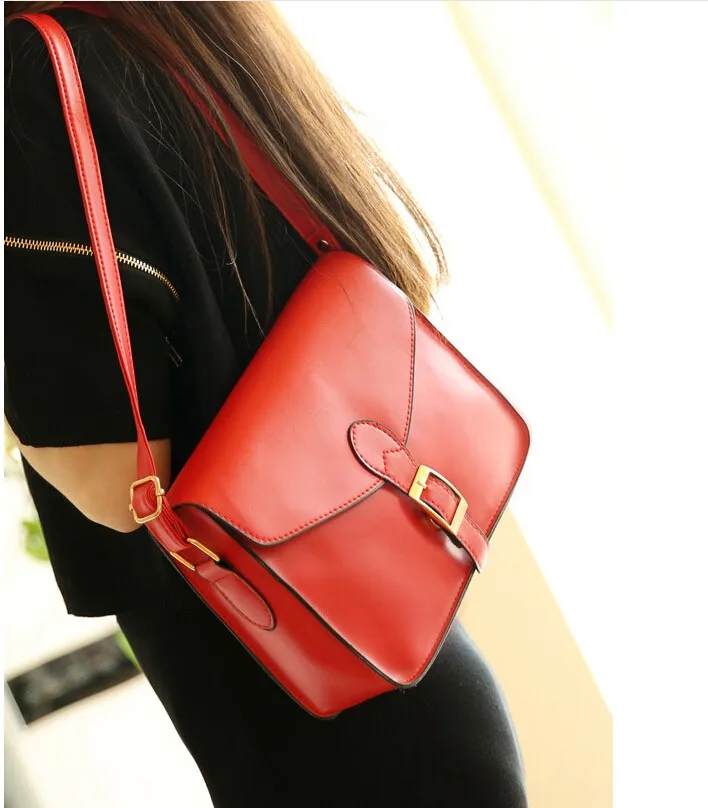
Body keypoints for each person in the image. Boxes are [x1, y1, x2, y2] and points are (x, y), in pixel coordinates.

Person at [4, 3, 527, 806]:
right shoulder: (167, 27)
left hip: (323, 745)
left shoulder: (25, 81)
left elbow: (121, 487)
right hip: (409, 703)